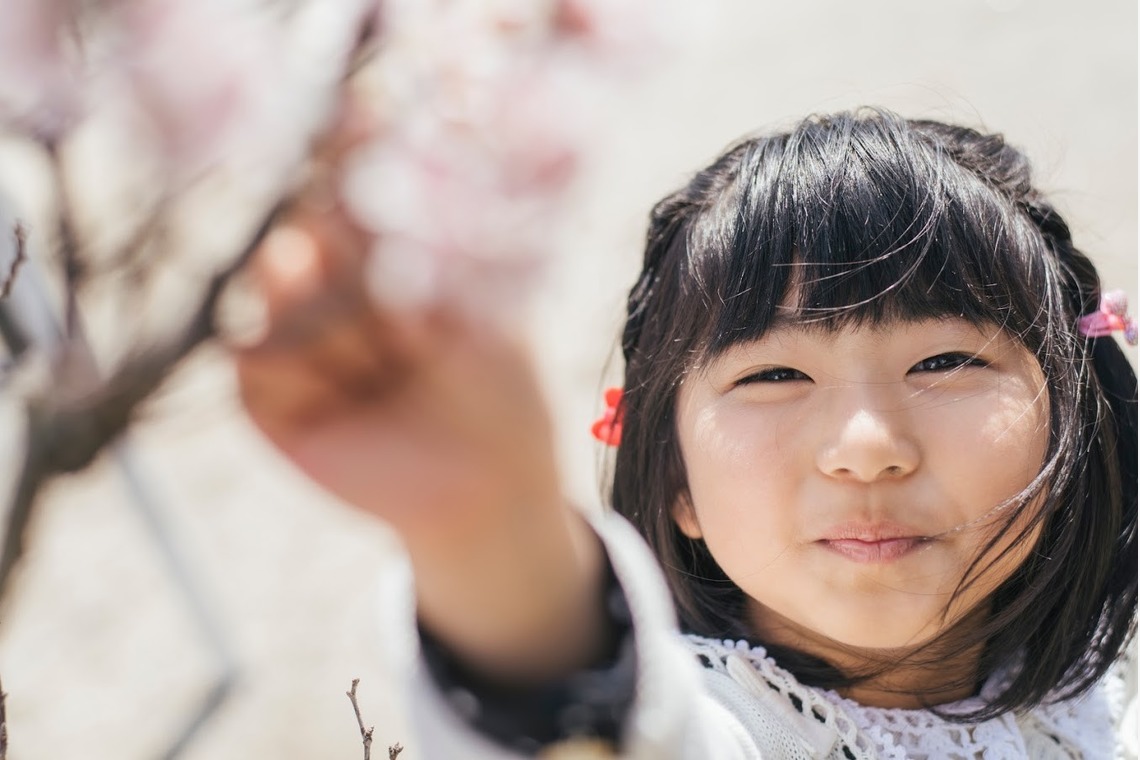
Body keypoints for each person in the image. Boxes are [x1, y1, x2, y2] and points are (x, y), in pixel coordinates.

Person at [235, 108, 1138, 758]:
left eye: (945, 363)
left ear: (1074, 410)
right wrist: (484, 525)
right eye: (773, 375)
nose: (866, 443)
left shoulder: (1101, 700)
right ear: (673, 481)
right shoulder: (729, 731)